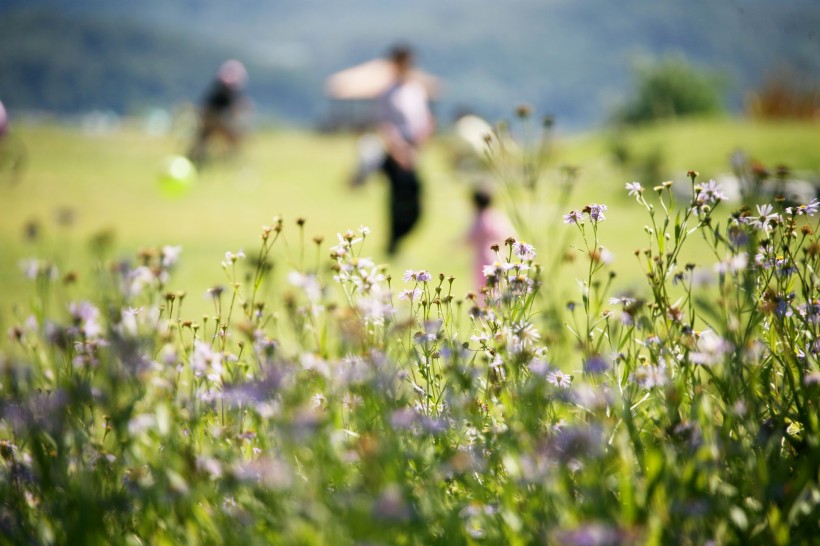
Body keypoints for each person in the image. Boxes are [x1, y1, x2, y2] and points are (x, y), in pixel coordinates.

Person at [377, 45, 435, 255]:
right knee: (398, 201)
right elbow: (385, 125)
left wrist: (421, 142)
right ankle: (393, 242)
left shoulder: (416, 90)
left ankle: (400, 237)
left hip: (414, 149)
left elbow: (425, 119)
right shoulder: (387, 93)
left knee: (416, 201)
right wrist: (398, 150)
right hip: (397, 153)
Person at [188, 60, 251, 167]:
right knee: (235, 137)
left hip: (206, 116)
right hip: (217, 118)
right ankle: (229, 160)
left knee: (203, 139)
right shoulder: (231, 89)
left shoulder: (218, 86)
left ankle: (194, 159)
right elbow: (235, 110)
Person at [466, 188, 515, 294]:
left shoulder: (479, 219)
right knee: (499, 287)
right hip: (499, 257)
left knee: (483, 289)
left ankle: (488, 309)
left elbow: (470, 238)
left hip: (482, 258)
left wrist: (454, 244)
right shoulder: (497, 217)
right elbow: (510, 234)